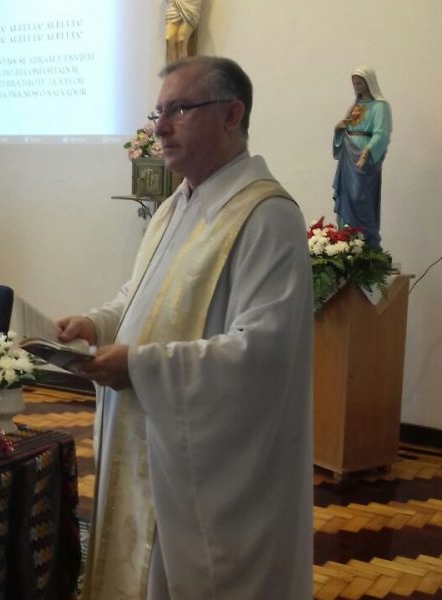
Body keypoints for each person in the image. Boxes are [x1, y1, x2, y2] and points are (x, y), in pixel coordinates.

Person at [59, 56, 313, 599]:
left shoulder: (267, 216)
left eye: (178, 110)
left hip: (211, 479)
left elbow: (263, 354)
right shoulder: (176, 205)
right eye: (159, 113)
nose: (160, 128)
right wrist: (97, 323)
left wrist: (139, 366)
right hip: (150, 440)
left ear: (231, 115)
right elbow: (142, 294)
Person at [333, 66, 392, 248]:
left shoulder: (380, 106)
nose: (356, 87)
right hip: (348, 155)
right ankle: (347, 242)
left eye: (359, 83)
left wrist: (368, 151)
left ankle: (366, 242)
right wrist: (338, 129)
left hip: (364, 160)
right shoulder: (356, 105)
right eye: (354, 83)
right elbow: (348, 126)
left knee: (361, 197)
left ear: (369, 83)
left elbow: (381, 133)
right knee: (347, 195)